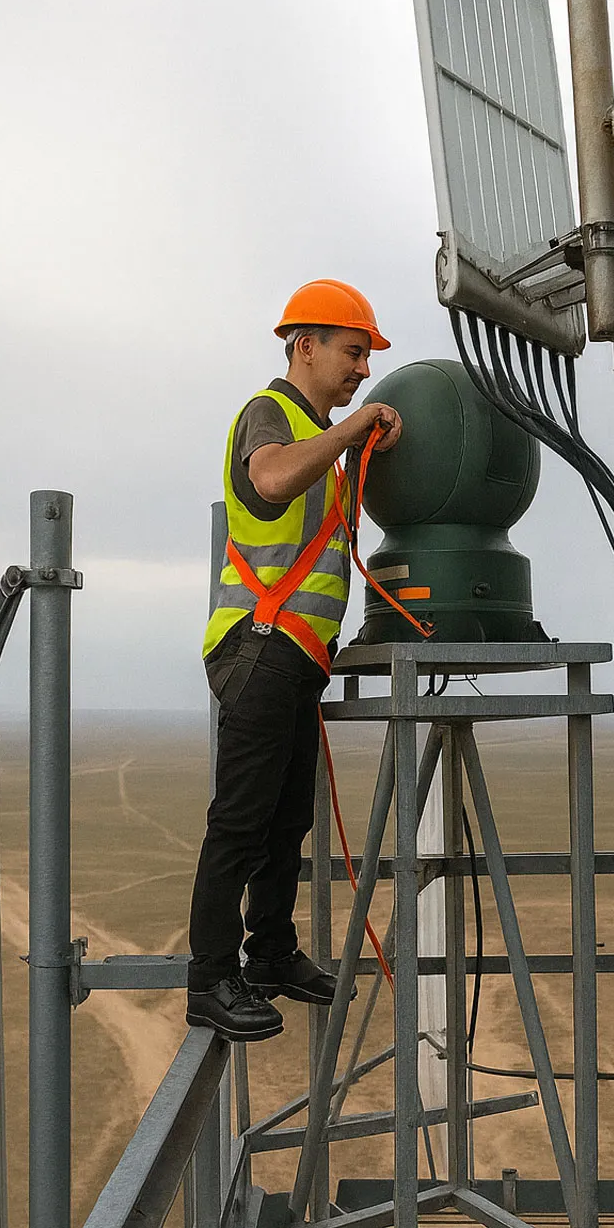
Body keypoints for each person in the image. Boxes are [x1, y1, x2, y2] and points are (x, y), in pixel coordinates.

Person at [186, 280, 402, 1041]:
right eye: (353, 352)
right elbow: (271, 478)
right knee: (241, 823)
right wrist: (354, 432)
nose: (362, 371)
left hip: (296, 657)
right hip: (261, 645)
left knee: (285, 824)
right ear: (304, 345)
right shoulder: (269, 415)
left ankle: (270, 953)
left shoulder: (319, 439)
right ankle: (210, 977)